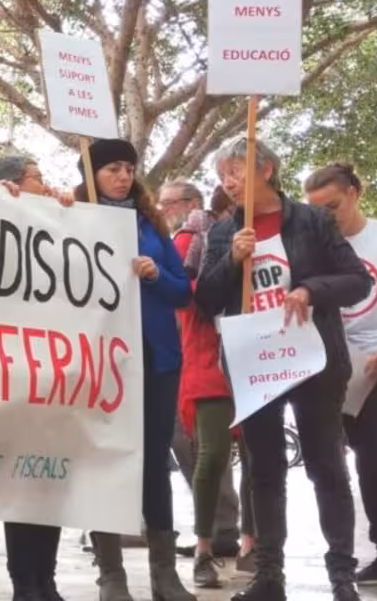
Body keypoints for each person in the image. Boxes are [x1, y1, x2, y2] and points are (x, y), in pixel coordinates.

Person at [196, 139, 369, 601]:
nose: (229, 183)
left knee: (326, 466)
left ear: (266, 169)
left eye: (236, 172)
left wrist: (310, 290)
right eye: (222, 176)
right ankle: (268, 575)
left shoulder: (312, 221)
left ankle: (342, 576)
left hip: (313, 360)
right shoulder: (223, 232)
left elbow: (357, 280)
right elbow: (206, 301)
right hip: (255, 364)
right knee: (264, 470)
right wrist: (232, 260)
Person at [73, 139, 194, 601]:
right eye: (112, 169)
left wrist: (155, 275)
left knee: (154, 464)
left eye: (128, 168)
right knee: (105, 461)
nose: (123, 176)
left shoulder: (151, 223)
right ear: (92, 176)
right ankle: (111, 575)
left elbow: (183, 291)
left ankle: (165, 575)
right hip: (101, 360)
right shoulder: (73, 217)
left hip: (157, 358)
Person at [304, 162, 377, 586]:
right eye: (317, 210)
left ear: (355, 194)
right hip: (349, 364)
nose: (327, 216)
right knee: (368, 458)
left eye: (333, 206)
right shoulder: (318, 249)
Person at [160, 181, 251, 588]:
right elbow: (183, 295)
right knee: (210, 455)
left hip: (252, 355)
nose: (165, 210)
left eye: (170, 203)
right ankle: (205, 547)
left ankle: (250, 545)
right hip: (205, 356)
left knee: (255, 457)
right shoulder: (189, 239)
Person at [0, 155, 68, 601]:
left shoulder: (59, 223)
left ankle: (45, 578)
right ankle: (24, 580)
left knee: (50, 478)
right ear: (13, 183)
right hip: (13, 371)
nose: (46, 185)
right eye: (39, 178)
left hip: (54, 373)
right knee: (22, 479)